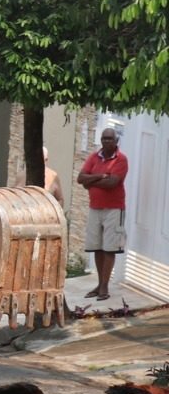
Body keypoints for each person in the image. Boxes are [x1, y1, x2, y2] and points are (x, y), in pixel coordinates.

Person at [76, 128, 128, 301]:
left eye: (109, 139)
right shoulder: (94, 157)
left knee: (109, 248)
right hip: (95, 207)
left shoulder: (121, 159)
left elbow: (112, 183)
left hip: (114, 208)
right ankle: (99, 284)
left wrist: (91, 181)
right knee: (97, 247)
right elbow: (80, 178)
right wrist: (100, 176)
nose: (106, 141)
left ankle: (105, 285)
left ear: (116, 141)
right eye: (104, 138)